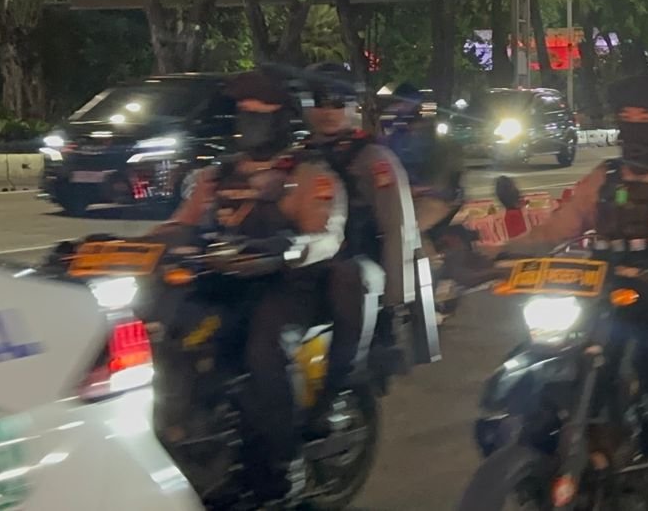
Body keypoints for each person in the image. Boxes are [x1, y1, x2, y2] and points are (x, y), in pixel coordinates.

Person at [499, 74, 648, 511]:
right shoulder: (603, 178)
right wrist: (489, 254)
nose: (634, 128)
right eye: (626, 118)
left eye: (645, 118)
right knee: (536, 363)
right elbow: (553, 230)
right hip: (599, 298)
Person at [163, 70, 347, 503]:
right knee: (166, 335)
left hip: (287, 288)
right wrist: (115, 247)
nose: (250, 121)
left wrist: (286, 248)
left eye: (261, 113)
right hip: (222, 284)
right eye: (244, 112)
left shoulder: (308, 175)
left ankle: (284, 464)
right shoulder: (217, 175)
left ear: (283, 119)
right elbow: (180, 224)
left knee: (263, 352)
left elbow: (326, 236)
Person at [299, 62, 424, 433]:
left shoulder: (373, 159)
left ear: (353, 106)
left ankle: (330, 401)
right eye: (319, 101)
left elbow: (398, 230)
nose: (328, 111)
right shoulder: (299, 157)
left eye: (337, 101)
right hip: (306, 271)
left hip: (357, 276)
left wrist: (394, 305)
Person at [379, 81, 464, 233]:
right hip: (402, 199)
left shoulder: (434, 141)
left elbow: (445, 174)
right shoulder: (393, 136)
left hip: (431, 199)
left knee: (410, 234)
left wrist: (424, 190)